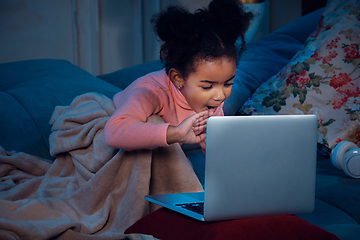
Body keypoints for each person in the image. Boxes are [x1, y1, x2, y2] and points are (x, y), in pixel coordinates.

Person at [104, 0, 253, 155]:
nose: (220, 95)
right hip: (111, 120)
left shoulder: (211, 103)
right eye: (207, 86)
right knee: (153, 122)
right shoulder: (151, 92)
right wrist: (176, 133)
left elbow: (213, 150)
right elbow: (113, 133)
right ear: (177, 79)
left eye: (228, 83)